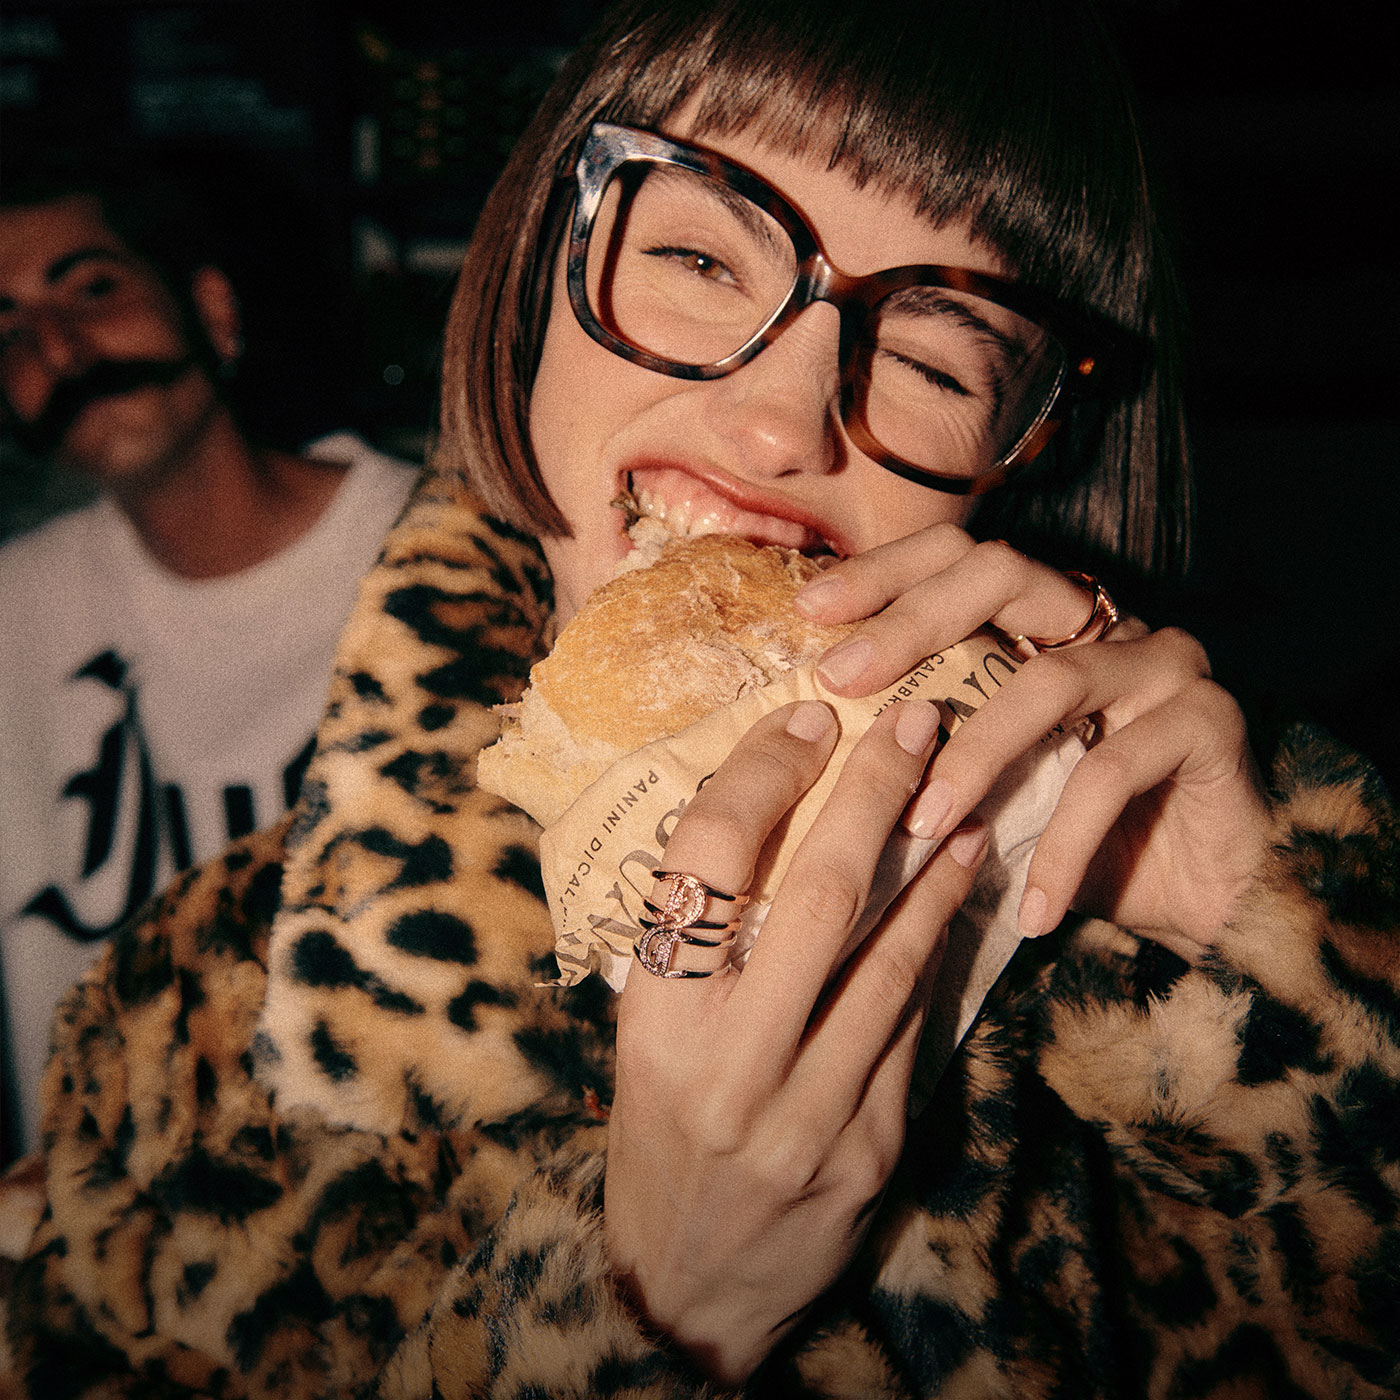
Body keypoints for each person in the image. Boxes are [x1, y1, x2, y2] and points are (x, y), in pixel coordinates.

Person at [5, 0, 1396, 1396]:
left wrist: (1292, 974)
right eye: (697, 259)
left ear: (1014, 462)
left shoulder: (1152, 961)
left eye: (931, 360)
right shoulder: (171, 1043)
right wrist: (652, 1313)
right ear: (538, 274)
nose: (781, 425)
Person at [0, 157, 420, 1158]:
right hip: (108, 1223)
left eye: (91, 288)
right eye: (5, 328)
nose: (58, 348)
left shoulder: (440, 550)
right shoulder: (14, 609)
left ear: (212, 310)